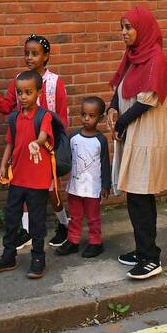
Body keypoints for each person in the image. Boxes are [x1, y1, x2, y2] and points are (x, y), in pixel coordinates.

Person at [107, 5, 167, 280]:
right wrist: (112, 108)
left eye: (128, 27)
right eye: (122, 27)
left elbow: (147, 99)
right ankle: (142, 249)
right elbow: (121, 87)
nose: (123, 32)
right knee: (135, 197)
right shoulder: (133, 56)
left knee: (141, 197)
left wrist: (121, 123)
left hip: (146, 136)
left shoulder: (156, 58)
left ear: (143, 29)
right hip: (133, 135)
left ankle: (151, 257)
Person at [0, 35, 70, 248]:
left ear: (46, 56)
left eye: (35, 53)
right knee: (22, 185)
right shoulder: (20, 79)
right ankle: (25, 232)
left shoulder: (54, 82)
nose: (29, 57)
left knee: (51, 188)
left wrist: (57, 143)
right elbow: (8, 107)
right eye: (26, 53)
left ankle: (63, 223)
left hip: (46, 145)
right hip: (23, 145)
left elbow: (62, 116)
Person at [0, 70, 56, 279]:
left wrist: (37, 142)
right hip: (17, 177)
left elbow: (44, 134)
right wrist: (2, 166)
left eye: (28, 92)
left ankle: (38, 258)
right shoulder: (14, 117)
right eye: (20, 92)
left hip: (38, 180)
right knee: (11, 218)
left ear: (38, 92)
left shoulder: (44, 116)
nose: (23, 96)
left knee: (37, 221)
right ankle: (8, 256)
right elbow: (10, 143)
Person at [57, 96, 112, 257]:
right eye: (83, 114)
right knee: (75, 216)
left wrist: (106, 186)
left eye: (91, 115)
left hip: (93, 188)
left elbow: (105, 164)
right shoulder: (73, 137)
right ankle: (73, 241)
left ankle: (96, 242)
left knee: (93, 218)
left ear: (100, 118)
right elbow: (65, 159)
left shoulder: (100, 140)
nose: (86, 119)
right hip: (75, 186)